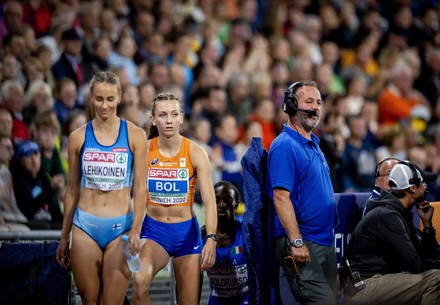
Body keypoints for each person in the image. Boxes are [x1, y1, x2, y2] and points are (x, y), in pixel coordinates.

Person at [55, 71, 148, 305]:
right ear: (90, 98)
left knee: (112, 302)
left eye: (109, 99)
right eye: (99, 99)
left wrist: (136, 230)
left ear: (119, 97)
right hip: (85, 225)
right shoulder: (78, 137)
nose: (104, 105)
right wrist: (64, 237)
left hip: (122, 230)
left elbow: (140, 188)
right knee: (89, 299)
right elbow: (72, 190)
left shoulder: (136, 135)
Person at [132, 92, 217, 305]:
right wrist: (133, 231)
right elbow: (137, 195)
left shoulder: (196, 152)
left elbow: (209, 201)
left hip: (186, 235)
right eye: (162, 115)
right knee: (140, 281)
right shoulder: (144, 151)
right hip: (154, 233)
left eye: (174, 114)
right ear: (153, 119)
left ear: (181, 118)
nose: (168, 120)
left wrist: (212, 238)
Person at [267, 80, 338, 304]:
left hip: (323, 242)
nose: (315, 107)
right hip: (303, 242)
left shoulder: (314, 143)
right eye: (308, 101)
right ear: (290, 105)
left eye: (318, 102)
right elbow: (280, 196)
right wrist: (296, 242)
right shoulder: (285, 146)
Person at [342, 161, 440, 305]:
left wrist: (427, 226)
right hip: (363, 286)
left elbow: (425, 254)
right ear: (412, 188)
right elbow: (416, 264)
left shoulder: (399, 211)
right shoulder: (387, 215)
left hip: (378, 280)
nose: (426, 187)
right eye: (422, 183)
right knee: (436, 278)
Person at [202, 181, 248, 305]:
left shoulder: (247, 234)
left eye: (227, 200)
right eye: (216, 200)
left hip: (245, 300)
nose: (221, 205)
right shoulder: (202, 236)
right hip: (216, 301)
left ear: (236, 205)